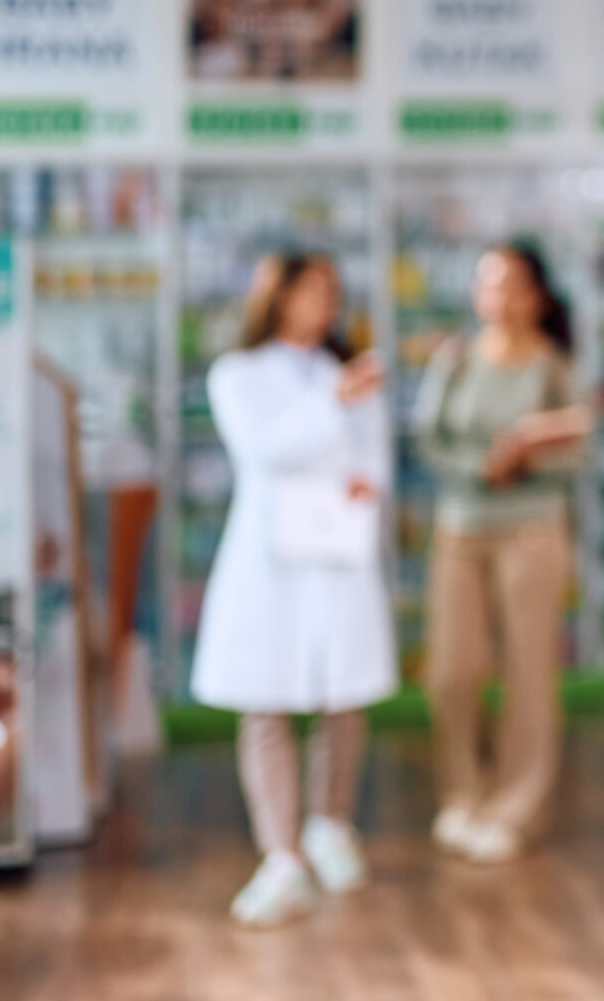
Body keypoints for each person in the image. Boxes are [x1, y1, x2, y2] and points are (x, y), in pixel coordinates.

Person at [193, 251, 393, 928]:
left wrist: (368, 475)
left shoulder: (347, 371)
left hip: (337, 552)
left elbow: (373, 453)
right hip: (270, 562)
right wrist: (332, 404)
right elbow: (265, 447)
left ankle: (329, 823)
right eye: (309, 291)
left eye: (331, 292)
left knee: (344, 695)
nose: (323, 305)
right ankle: (281, 856)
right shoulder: (237, 374)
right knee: (267, 700)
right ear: (276, 298)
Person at [412, 241, 590, 864]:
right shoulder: (455, 360)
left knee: (529, 673)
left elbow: (578, 447)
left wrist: (527, 457)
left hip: (532, 529)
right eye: (488, 283)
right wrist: (480, 467)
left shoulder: (553, 366)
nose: (500, 297)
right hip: (460, 528)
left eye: (512, 284)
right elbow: (429, 440)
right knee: (453, 671)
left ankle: (515, 808)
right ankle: (463, 794)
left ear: (537, 296)